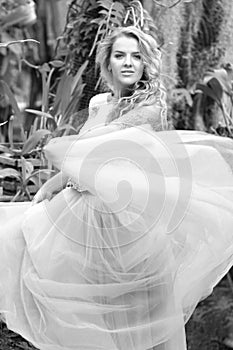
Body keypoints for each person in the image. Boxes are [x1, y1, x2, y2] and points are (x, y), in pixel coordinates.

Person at [0, 25, 233, 350]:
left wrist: (66, 166)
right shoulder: (98, 103)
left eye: (136, 57)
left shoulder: (150, 109)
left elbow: (102, 153)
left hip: (129, 218)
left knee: (145, 308)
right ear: (107, 62)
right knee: (24, 245)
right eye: (119, 55)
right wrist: (52, 185)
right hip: (84, 210)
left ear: (145, 64)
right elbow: (82, 154)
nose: (127, 62)